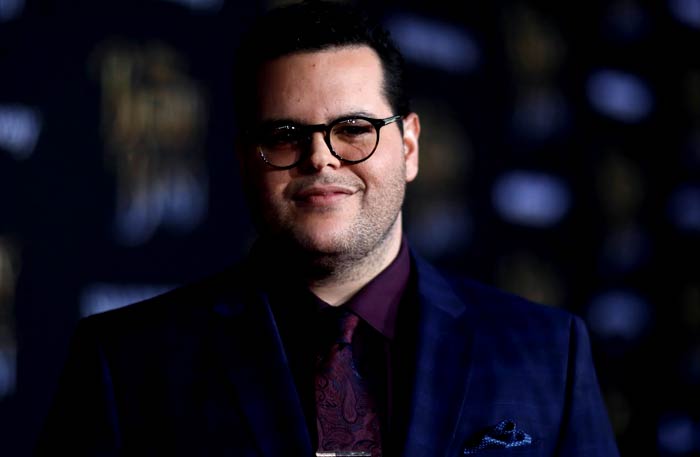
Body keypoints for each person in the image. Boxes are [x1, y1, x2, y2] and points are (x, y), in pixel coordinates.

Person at [36, 1, 620, 456]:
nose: (321, 158)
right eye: (284, 136)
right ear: (244, 161)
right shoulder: (125, 363)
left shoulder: (548, 354)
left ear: (409, 146)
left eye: (354, 128)